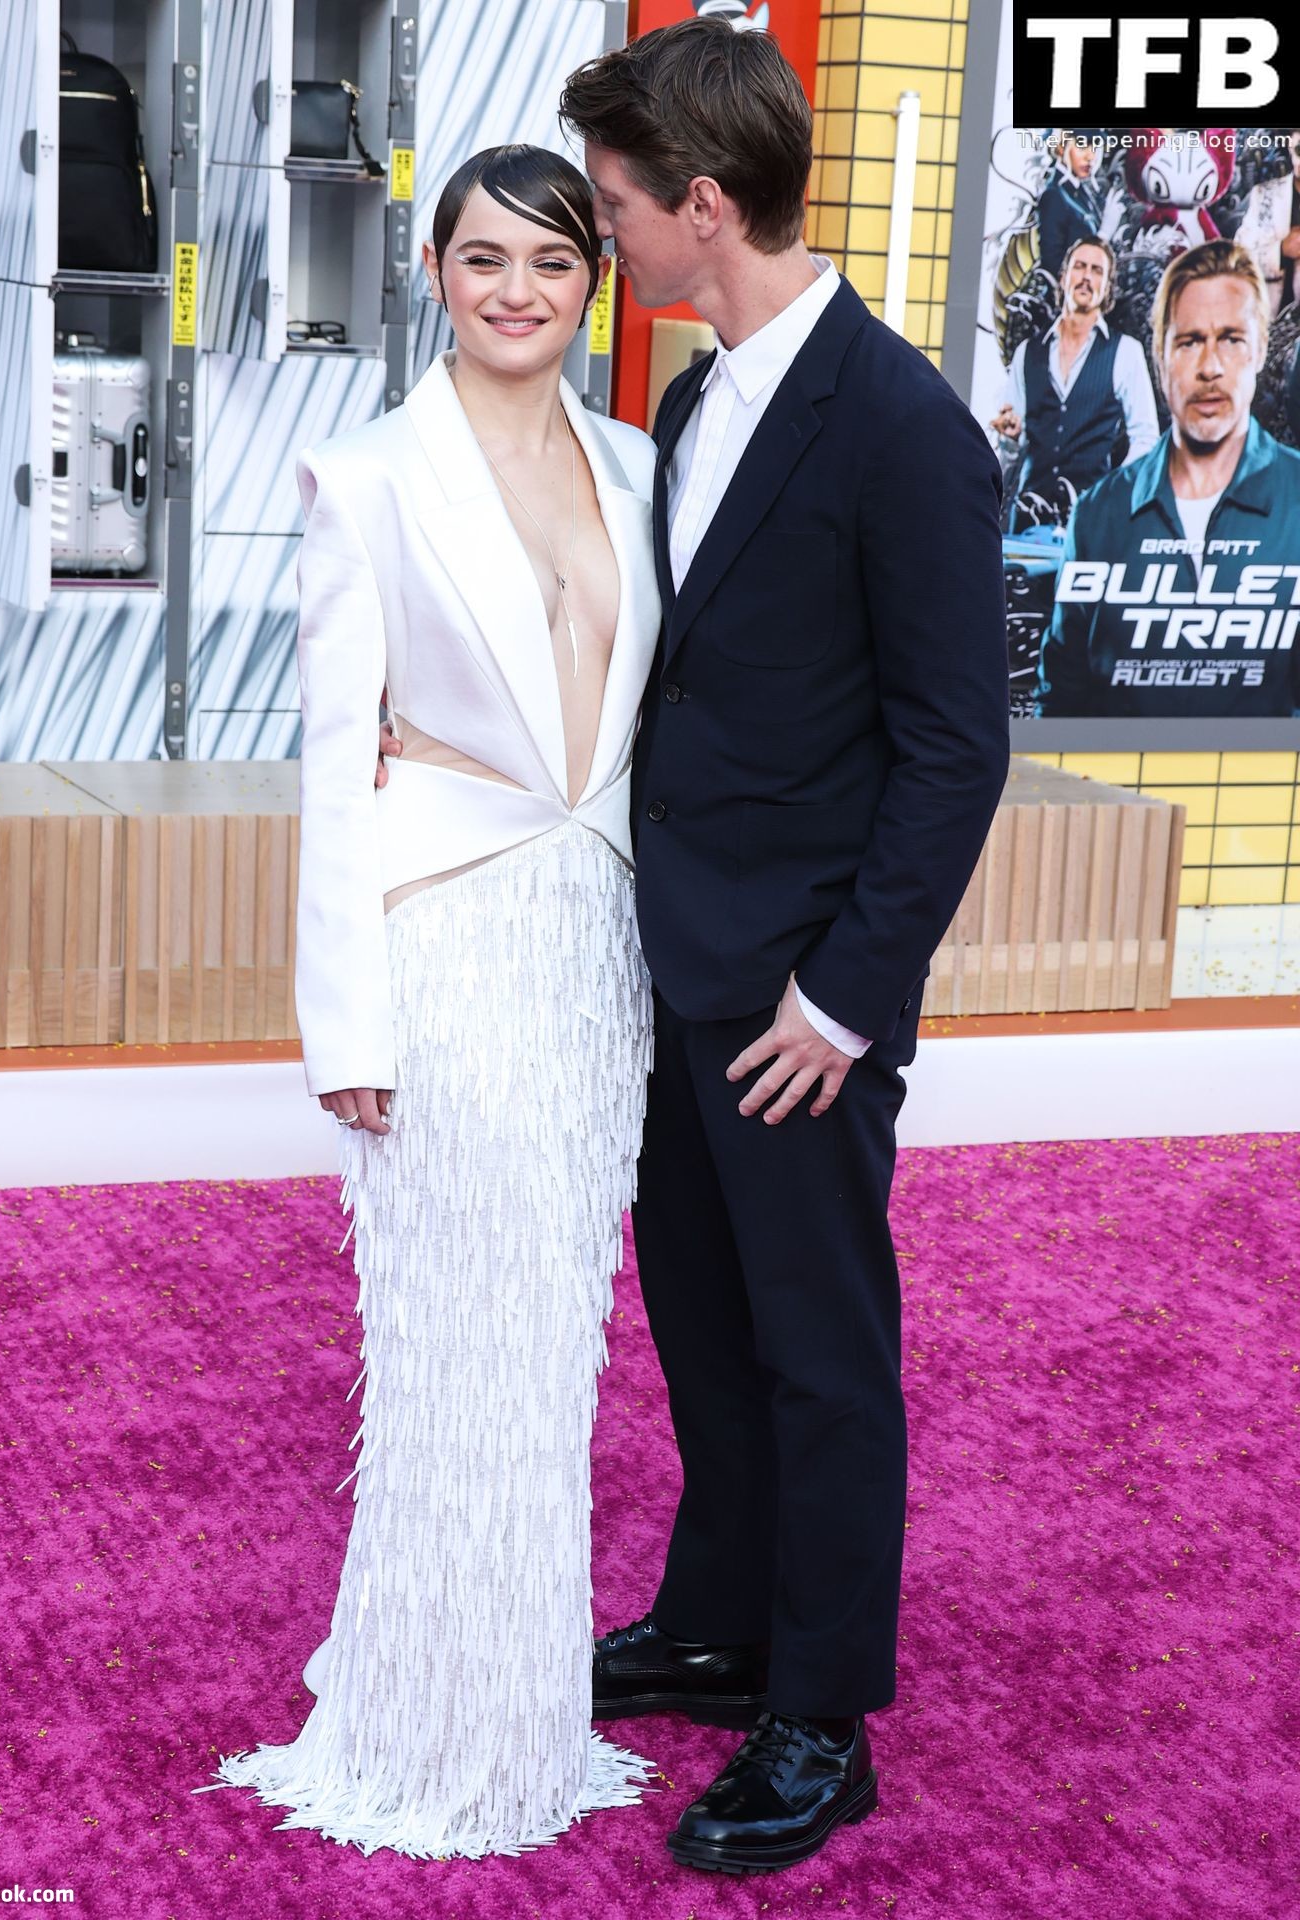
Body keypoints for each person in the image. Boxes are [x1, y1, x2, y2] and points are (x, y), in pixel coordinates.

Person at [559, 18, 1010, 1877]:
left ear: (703, 205)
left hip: (802, 1002)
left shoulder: (902, 427)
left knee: (821, 1354)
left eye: (613, 208)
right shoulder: (693, 402)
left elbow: (956, 749)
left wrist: (845, 999)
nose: (599, 239)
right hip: (683, 973)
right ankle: (722, 1623)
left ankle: (821, 1713)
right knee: (704, 1325)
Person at [196, 144, 663, 1857]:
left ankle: (516, 1717)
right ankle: (422, 1730)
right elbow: (335, 768)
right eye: (484, 259)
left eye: (550, 261)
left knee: (548, 1360)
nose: (516, 290)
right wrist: (350, 1026)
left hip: (596, 961)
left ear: (593, 284)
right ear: (435, 273)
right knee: (451, 1350)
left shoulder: (641, 467)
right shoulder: (368, 479)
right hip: (445, 953)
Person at [1038, 238, 1300, 717]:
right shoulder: (1098, 515)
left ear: (1261, 349)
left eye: (1231, 339)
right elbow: (1059, 702)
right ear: (1160, 359)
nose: (1210, 367)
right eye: (1190, 341)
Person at [991, 234, 1159, 529]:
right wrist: (1010, 440)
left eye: (1097, 271)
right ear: (1064, 277)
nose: (1086, 277)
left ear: (1107, 287)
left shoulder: (1125, 351)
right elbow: (1009, 451)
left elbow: (1146, 439)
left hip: (1092, 521)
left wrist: (1112, 492)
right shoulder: (1027, 353)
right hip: (1028, 518)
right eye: (1080, 267)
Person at [1036, 130, 1119, 278]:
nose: (1091, 157)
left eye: (1094, 147)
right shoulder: (1054, 195)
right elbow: (1053, 266)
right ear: (1061, 147)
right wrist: (1103, 237)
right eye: (1082, 145)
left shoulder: (1080, 190)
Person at [1235, 131, 1300, 318]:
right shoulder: (1264, 196)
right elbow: (1239, 259)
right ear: (1290, 149)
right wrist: (1280, 251)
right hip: (1271, 320)